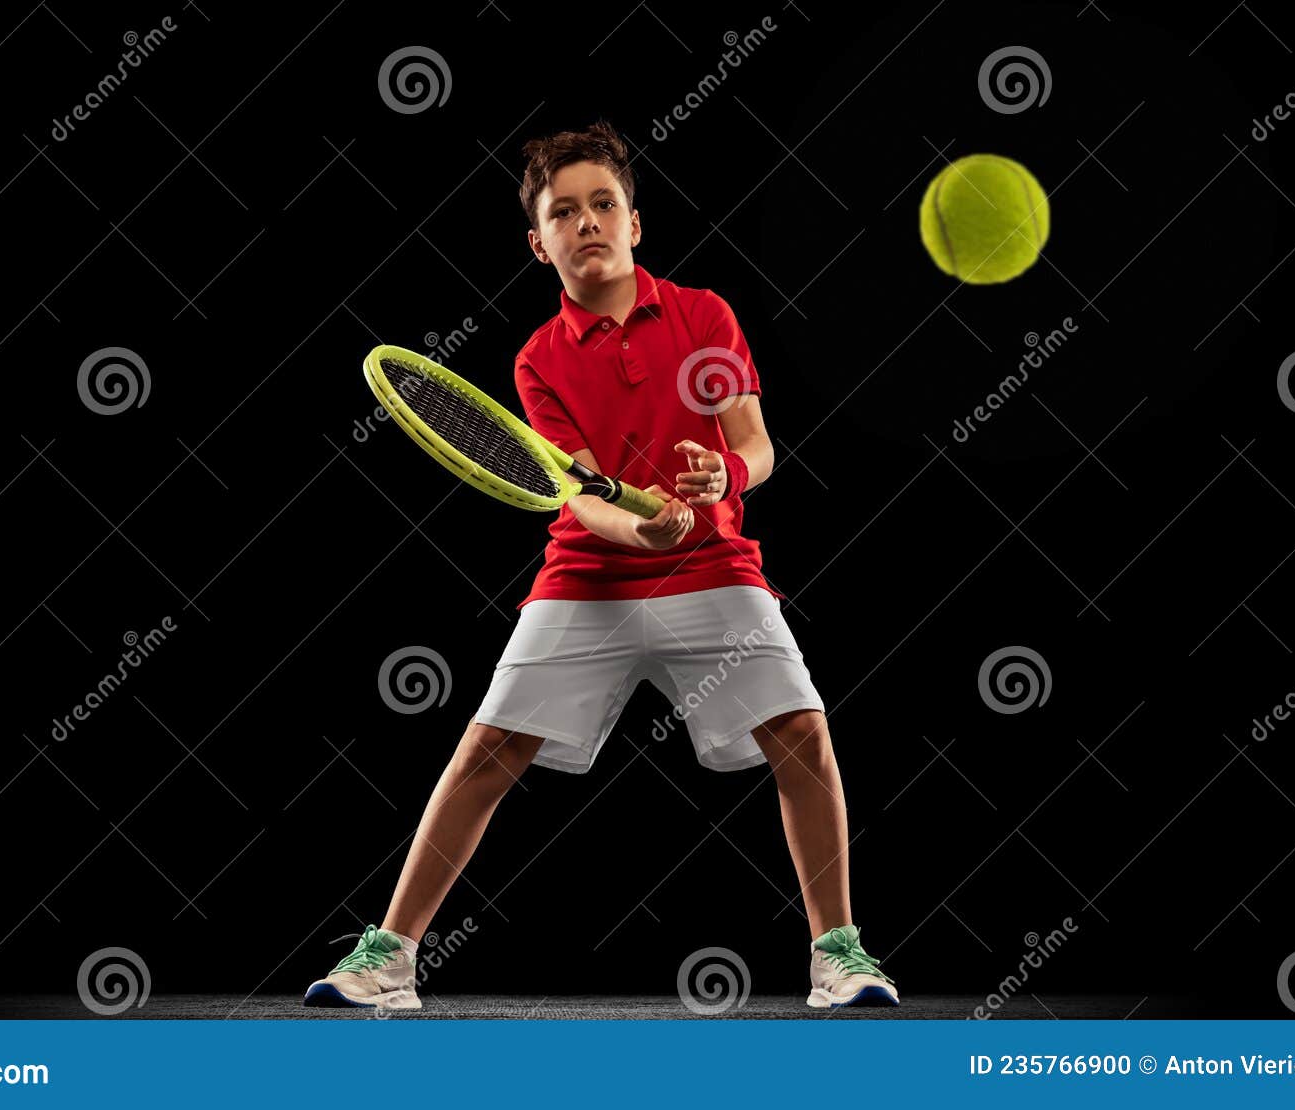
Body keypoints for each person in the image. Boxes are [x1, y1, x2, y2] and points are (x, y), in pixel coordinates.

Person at [306, 121, 897, 1011]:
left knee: (803, 736)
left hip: (716, 567)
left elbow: (755, 444)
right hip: (586, 578)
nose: (589, 223)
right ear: (538, 242)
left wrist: (723, 477)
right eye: (565, 212)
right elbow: (572, 491)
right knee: (485, 751)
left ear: (635, 222)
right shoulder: (538, 359)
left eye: (604, 204)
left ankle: (839, 956)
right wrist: (639, 534)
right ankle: (386, 959)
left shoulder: (706, 315)